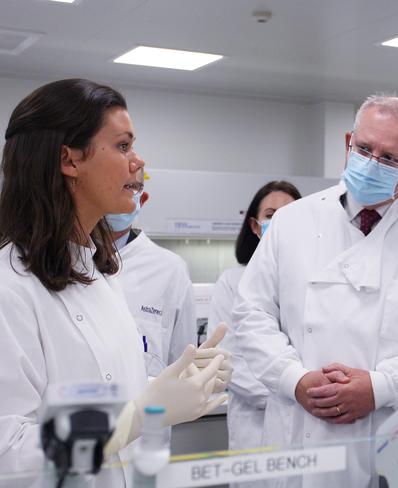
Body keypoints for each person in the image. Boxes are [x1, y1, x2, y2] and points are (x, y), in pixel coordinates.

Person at [0, 79, 229, 486]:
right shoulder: (9, 287)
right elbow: (11, 457)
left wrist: (170, 385)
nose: (138, 162)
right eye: (123, 146)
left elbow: (112, 395)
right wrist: (137, 416)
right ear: (69, 160)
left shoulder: (101, 275)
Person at [232, 95, 398, 487]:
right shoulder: (291, 222)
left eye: (389, 159)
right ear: (347, 143)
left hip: (396, 441)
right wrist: (295, 379)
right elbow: (251, 315)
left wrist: (380, 386)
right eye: (364, 148)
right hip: (298, 437)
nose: (371, 163)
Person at [207, 181, 301, 456]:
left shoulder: (317, 284)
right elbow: (228, 359)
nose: (281, 222)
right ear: (255, 226)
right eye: (271, 215)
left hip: (307, 423)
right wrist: (293, 393)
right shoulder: (232, 282)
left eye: (291, 214)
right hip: (254, 425)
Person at [106, 168, 196, 377]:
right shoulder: (64, 260)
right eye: (113, 187)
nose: (120, 195)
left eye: (130, 187)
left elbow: (183, 363)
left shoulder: (170, 269)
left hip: (151, 408)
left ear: (142, 199)